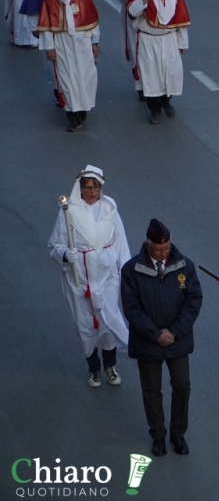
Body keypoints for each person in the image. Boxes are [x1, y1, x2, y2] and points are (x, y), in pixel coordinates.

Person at [121, 219, 203, 456]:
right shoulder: (131, 269)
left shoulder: (185, 266)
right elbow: (132, 309)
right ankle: (158, 435)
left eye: (166, 248)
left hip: (178, 340)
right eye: (158, 249)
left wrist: (174, 331)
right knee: (151, 389)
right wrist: (155, 334)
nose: (163, 252)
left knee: (181, 385)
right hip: (148, 341)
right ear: (148, 246)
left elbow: (193, 302)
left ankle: (178, 434)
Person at [48, 165, 130, 388]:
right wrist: (66, 253)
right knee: (86, 325)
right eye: (88, 187)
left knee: (109, 318)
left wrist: (125, 271)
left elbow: (120, 242)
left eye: (96, 187)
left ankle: (110, 365)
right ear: (80, 189)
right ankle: (93, 368)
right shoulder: (68, 212)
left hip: (107, 276)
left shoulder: (110, 208)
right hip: (80, 277)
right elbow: (55, 245)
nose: (92, 191)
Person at [37, 0, 99, 132]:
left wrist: (95, 42)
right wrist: (49, 48)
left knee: (85, 77)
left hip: (82, 43)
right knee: (66, 79)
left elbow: (93, 21)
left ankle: (82, 109)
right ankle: (72, 116)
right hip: (62, 44)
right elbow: (46, 27)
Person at [126, 0, 190, 125]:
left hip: (169, 39)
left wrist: (182, 42)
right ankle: (155, 109)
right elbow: (133, 12)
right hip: (149, 40)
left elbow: (180, 19)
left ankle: (166, 101)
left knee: (170, 73)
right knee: (151, 76)